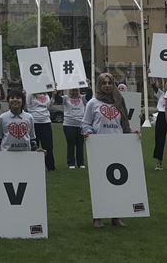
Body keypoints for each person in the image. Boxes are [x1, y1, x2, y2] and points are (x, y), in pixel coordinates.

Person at [82, 73, 136, 228]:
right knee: (99, 184)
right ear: (99, 85)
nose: (107, 85)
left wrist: (132, 133)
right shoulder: (93, 103)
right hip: (99, 147)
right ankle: (98, 217)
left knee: (117, 184)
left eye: (109, 83)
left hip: (117, 147)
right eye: (103, 83)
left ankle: (116, 216)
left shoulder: (119, 101)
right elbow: (85, 123)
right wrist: (88, 132)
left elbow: (124, 125)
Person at [27, 91, 56, 171]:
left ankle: (50, 167)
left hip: (46, 122)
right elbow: (28, 105)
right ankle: (33, 166)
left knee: (48, 146)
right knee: (33, 145)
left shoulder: (46, 95)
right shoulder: (30, 95)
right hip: (34, 122)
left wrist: (53, 95)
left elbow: (49, 106)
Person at [59, 87, 87, 169]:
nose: (74, 92)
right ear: (69, 91)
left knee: (80, 144)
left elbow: (89, 96)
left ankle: (81, 163)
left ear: (79, 91)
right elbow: (58, 99)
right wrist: (57, 90)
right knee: (71, 144)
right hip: (69, 124)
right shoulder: (65, 98)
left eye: (76, 90)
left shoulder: (82, 98)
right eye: (72, 90)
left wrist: (88, 86)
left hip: (80, 124)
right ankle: (71, 163)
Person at [151, 78, 167, 170]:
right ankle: (159, 162)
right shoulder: (161, 94)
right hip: (161, 116)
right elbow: (153, 85)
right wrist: (151, 75)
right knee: (159, 140)